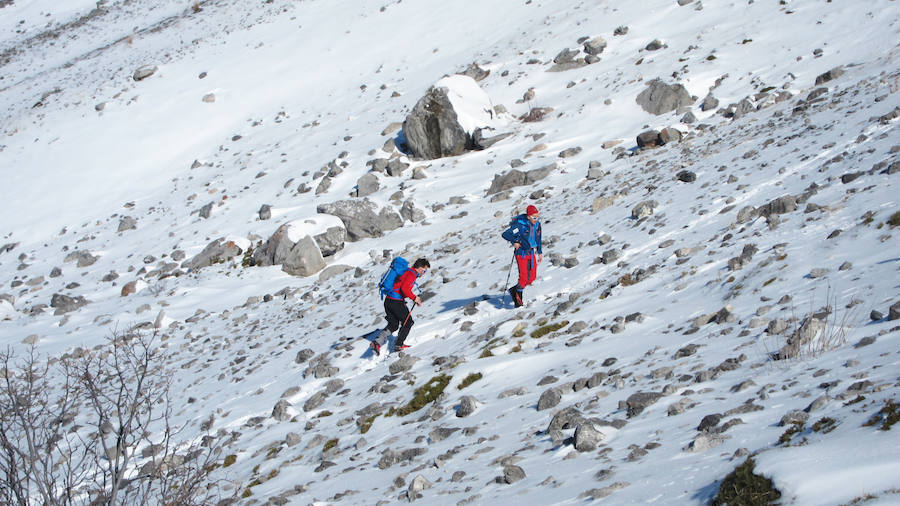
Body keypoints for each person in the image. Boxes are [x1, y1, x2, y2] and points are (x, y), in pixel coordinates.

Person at [371, 258, 430, 355]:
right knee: (408, 322)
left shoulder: (407, 272)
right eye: (424, 270)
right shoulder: (411, 274)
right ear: (419, 268)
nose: (424, 273)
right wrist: (414, 298)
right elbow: (404, 289)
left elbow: (401, 287)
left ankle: (377, 343)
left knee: (393, 325)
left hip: (389, 301)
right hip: (396, 302)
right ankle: (398, 344)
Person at [502, 205, 542, 307]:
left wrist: (540, 252)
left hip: (531, 252)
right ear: (528, 216)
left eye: (537, 216)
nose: (536, 219)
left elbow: (538, 239)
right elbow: (505, 234)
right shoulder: (520, 226)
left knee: (532, 277)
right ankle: (518, 301)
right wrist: (515, 241)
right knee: (524, 277)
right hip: (521, 253)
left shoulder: (537, 225)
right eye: (534, 217)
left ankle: (514, 290)